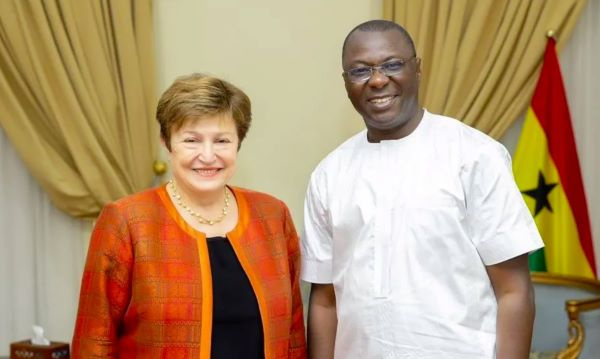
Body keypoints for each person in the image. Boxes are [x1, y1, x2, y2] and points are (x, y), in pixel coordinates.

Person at [301, 20, 543, 359]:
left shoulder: (474, 155)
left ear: (418, 69)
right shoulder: (329, 174)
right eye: (360, 71)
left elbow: (514, 290)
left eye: (393, 64)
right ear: (346, 83)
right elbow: (325, 300)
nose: (377, 80)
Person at [72, 73, 307, 358]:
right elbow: (93, 343)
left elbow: (293, 337)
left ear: (238, 143)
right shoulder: (127, 221)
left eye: (221, 140)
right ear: (166, 141)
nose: (208, 156)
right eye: (191, 140)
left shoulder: (272, 216)